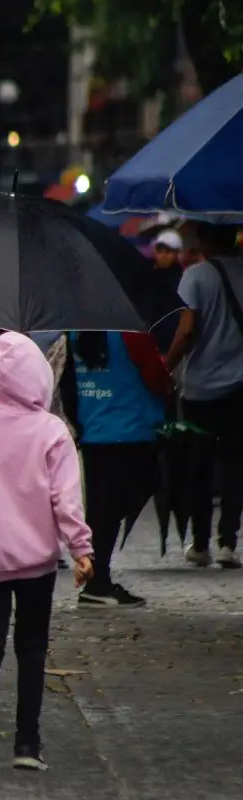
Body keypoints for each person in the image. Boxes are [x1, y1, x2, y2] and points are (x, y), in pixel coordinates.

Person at [0, 331, 94, 772]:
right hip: (36, 561)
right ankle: (27, 743)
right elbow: (66, 500)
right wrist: (81, 549)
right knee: (32, 647)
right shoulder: (52, 432)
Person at [59, 332, 169, 606]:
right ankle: (98, 583)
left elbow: (68, 383)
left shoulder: (76, 333)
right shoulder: (130, 333)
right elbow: (156, 377)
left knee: (101, 509)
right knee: (117, 504)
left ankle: (97, 579)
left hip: (95, 428)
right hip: (132, 427)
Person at [164, 222, 243, 569]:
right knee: (235, 464)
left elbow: (186, 329)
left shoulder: (195, 276)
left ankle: (199, 544)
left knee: (199, 466)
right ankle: (229, 541)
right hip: (241, 386)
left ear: (207, 240)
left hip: (201, 389)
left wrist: (167, 366)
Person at [151, 229, 184, 352]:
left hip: (173, 343)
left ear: (177, 254)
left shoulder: (183, 278)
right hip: (152, 341)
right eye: (160, 250)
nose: (163, 255)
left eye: (169, 251)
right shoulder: (146, 275)